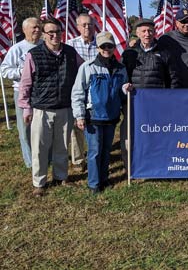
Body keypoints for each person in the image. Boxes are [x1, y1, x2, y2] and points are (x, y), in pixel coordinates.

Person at [18, 19, 83, 197]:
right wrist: (26, 108)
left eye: (58, 31)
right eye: (50, 32)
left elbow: (83, 70)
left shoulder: (71, 53)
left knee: (62, 145)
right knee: (40, 147)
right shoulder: (34, 54)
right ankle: (39, 182)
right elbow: (25, 84)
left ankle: (61, 177)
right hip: (41, 109)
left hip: (65, 107)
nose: (55, 35)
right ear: (44, 34)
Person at [72, 32, 127, 194]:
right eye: (103, 46)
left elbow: (122, 92)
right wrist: (79, 115)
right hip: (93, 117)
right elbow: (78, 92)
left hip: (112, 117)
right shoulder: (87, 67)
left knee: (106, 150)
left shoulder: (121, 68)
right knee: (95, 151)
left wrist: (126, 89)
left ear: (113, 47)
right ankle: (93, 184)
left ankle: (104, 178)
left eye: (109, 46)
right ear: (98, 48)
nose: (106, 49)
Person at [120, 18, 180, 168]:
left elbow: (173, 78)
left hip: (157, 104)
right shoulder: (129, 53)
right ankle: (131, 166)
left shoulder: (164, 53)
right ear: (137, 33)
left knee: (155, 134)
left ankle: (155, 163)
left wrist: (171, 100)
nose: (147, 34)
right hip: (133, 103)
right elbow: (122, 77)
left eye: (150, 31)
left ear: (154, 33)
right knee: (130, 135)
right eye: (144, 31)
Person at [0, 17, 42, 168]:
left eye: (39, 27)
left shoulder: (45, 46)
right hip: (22, 92)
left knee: (44, 126)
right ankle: (30, 161)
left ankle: (45, 156)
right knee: (25, 128)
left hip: (43, 91)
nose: (37, 30)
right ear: (24, 30)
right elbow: (4, 70)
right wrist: (23, 72)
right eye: (33, 27)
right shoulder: (17, 49)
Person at [66, 14, 98, 172]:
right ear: (78, 27)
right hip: (77, 90)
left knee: (95, 125)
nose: (87, 27)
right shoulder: (70, 46)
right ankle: (78, 159)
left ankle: (96, 154)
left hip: (97, 92)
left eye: (90, 24)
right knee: (76, 126)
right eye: (84, 25)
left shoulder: (102, 44)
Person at [158, 9, 188, 88]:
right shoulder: (165, 39)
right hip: (171, 87)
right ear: (176, 23)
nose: (187, 24)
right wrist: (137, 44)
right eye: (183, 21)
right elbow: (151, 50)